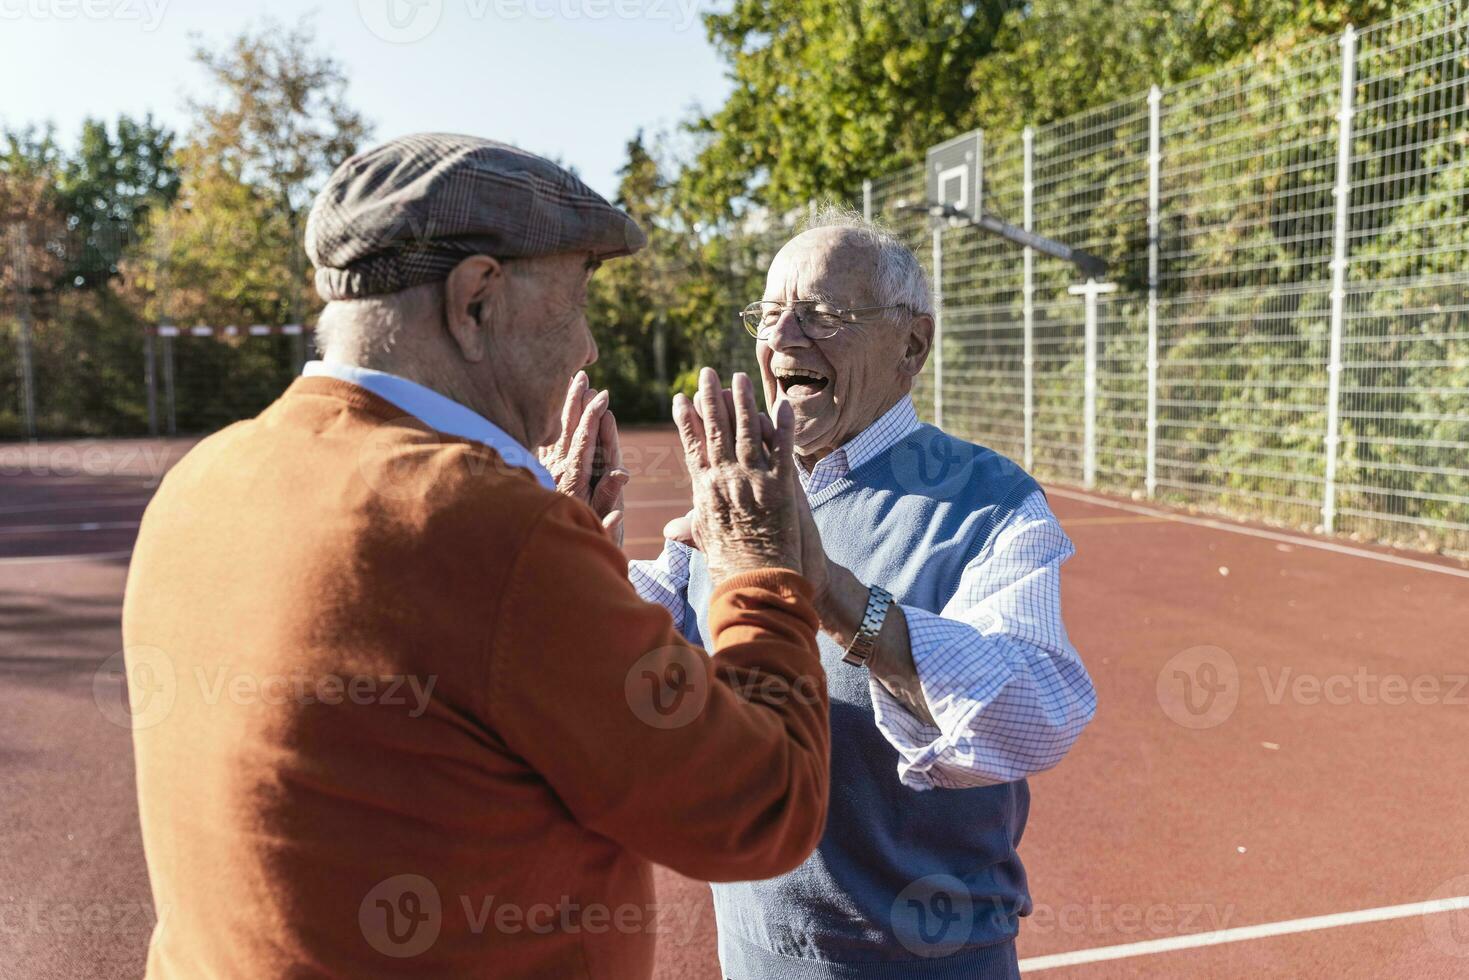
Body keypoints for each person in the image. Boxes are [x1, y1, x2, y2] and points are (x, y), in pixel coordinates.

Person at [122, 133, 831, 978]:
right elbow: (762, 807)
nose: (587, 347)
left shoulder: (203, 477)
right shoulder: (486, 529)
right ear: (476, 301)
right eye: (574, 304)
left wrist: (538, 572)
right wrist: (758, 567)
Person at [625, 209, 1098, 978]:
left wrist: (834, 594)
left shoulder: (989, 500)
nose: (782, 339)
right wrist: (562, 537)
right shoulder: (736, 487)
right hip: (754, 948)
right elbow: (620, 660)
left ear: (912, 343)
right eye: (770, 314)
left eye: (821, 315)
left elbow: (1039, 713)